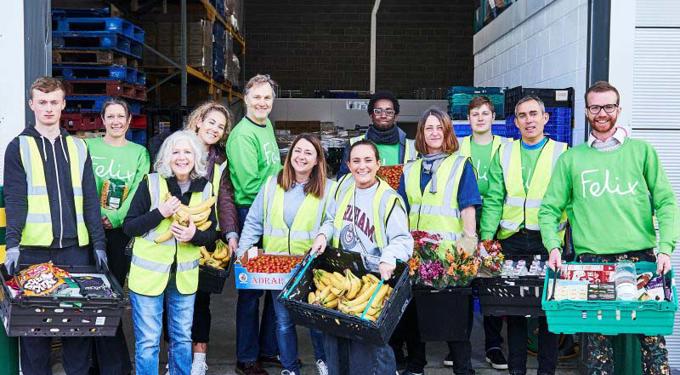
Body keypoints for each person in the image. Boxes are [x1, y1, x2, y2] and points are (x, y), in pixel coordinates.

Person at [540, 81, 679, 375]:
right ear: (587, 111)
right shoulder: (571, 159)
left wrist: (665, 248)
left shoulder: (642, 152)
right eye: (595, 107)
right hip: (593, 265)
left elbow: (666, 202)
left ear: (618, 109)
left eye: (608, 106)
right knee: (596, 350)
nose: (602, 113)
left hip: (641, 262)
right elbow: (550, 209)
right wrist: (553, 245)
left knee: (653, 345)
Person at [3, 76, 107, 375]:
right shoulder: (18, 147)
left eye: (54, 102)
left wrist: (98, 245)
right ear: (31, 104)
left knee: (77, 330)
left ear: (63, 105)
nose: (48, 108)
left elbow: (90, 201)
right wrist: (12, 246)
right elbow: (15, 199)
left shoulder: (78, 148)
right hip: (33, 252)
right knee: (35, 332)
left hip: (76, 252)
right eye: (42, 102)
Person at [480, 95, 568, 375]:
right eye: (522, 115)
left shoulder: (562, 153)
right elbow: (494, 199)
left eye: (534, 114)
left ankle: (546, 371)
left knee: (549, 313)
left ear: (545, 118)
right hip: (512, 239)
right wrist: (487, 238)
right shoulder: (504, 153)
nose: (529, 120)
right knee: (514, 310)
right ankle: (516, 370)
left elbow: (571, 199)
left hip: (549, 241)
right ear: (515, 122)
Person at [310, 140, 414, 375]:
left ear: (379, 164)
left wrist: (389, 257)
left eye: (368, 160)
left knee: (370, 349)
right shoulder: (344, 186)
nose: (362, 166)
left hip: (372, 281)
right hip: (342, 277)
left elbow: (403, 240)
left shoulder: (388, 199)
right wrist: (322, 236)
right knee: (336, 341)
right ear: (348, 164)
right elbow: (330, 219)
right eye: (356, 161)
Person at [123, 131, 219, 375]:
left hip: (184, 278)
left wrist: (193, 236)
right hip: (148, 278)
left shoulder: (205, 189)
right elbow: (130, 226)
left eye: (187, 152)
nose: (181, 157)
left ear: (196, 156)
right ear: (166, 157)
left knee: (182, 340)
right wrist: (161, 212)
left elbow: (211, 238)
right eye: (175, 152)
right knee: (147, 343)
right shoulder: (151, 183)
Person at [395, 107, 481, 375]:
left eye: (439, 128)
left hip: (450, 257)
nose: (434, 133)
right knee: (415, 314)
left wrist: (469, 242)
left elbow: (468, 207)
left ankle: (463, 367)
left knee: (454, 317)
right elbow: (400, 210)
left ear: (447, 133)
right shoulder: (410, 170)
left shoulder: (460, 165)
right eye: (428, 128)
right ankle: (416, 363)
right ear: (421, 133)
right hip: (416, 256)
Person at [238, 134, 333, 375]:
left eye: (308, 153)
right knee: (283, 322)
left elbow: (333, 220)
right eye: (297, 151)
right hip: (278, 268)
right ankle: (290, 369)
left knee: (317, 322)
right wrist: (243, 254)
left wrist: (323, 234)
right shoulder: (272, 184)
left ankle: (324, 364)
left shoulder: (329, 188)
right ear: (289, 156)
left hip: (312, 267)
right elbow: (253, 222)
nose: (301, 157)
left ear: (317, 160)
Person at [86, 98, 150, 375]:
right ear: (102, 120)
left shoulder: (138, 152)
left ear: (128, 120)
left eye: (120, 116)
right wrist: (94, 218)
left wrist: (113, 217)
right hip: (88, 231)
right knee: (88, 297)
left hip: (118, 234)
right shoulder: (88, 147)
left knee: (111, 296)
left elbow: (139, 189)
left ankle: (115, 365)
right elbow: (81, 185)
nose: (115, 121)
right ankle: (91, 362)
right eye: (110, 116)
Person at [227, 74, 282, 375]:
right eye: (257, 97)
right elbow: (250, 185)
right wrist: (286, 184)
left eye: (267, 98)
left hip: (273, 211)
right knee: (250, 292)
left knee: (276, 282)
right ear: (246, 98)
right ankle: (246, 358)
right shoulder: (243, 135)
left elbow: (271, 168)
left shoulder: (266, 125)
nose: (262, 103)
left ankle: (268, 349)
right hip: (253, 214)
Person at [184, 101, 239, 375]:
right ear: (198, 121)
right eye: (211, 122)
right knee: (177, 300)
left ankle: (198, 359)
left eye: (221, 126)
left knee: (201, 301)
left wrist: (230, 233)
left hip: (206, 235)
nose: (215, 129)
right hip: (177, 235)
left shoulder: (220, 160)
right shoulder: (177, 148)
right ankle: (178, 355)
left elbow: (226, 199)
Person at [454, 96, 509, 370]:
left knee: (491, 287)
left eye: (485, 113)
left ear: (493, 116)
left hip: (495, 227)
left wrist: (487, 234)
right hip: (465, 227)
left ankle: (493, 345)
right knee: (463, 285)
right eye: (474, 114)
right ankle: (458, 345)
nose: (479, 118)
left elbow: (500, 191)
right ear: (468, 119)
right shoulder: (460, 147)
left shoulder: (505, 147)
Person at [336, 91, 417, 179]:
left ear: (395, 116)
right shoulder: (353, 144)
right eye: (378, 111)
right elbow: (343, 179)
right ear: (371, 115)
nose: (383, 115)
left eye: (389, 112)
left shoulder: (412, 147)